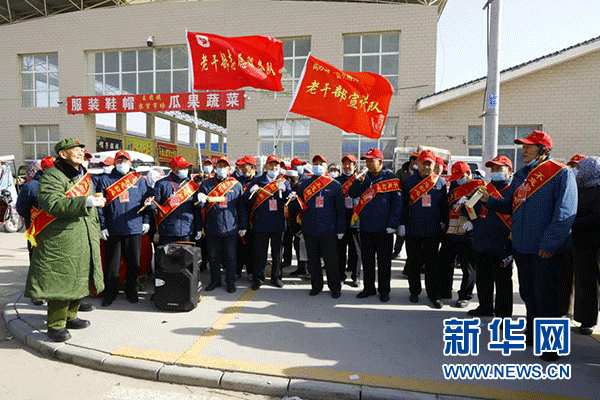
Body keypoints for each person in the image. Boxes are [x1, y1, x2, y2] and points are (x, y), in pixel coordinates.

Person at [480, 130, 577, 362]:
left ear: (543, 150)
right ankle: (533, 333)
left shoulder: (561, 174)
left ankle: (552, 345)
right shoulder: (522, 175)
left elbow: (565, 212)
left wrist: (551, 242)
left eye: (528, 146)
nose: (523, 150)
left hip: (544, 248)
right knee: (528, 294)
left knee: (547, 298)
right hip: (522, 246)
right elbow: (512, 206)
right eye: (523, 146)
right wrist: (489, 201)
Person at [24, 138, 105, 342]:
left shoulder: (82, 174)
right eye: (74, 150)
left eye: (81, 149)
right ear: (63, 154)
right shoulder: (53, 175)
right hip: (62, 238)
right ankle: (56, 325)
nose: (80, 152)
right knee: (61, 280)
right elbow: (52, 203)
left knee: (79, 276)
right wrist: (84, 201)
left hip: (83, 234)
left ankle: (71, 316)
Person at [96, 150, 152, 307]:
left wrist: (146, 220)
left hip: (134, 227)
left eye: (125, 161)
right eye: (119, 161)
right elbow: (100, 206)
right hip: (113, 229)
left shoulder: (139, 180)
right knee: (112, 265)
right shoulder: (105, 180)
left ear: (130, 163)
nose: (122, 164)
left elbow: (146, 202)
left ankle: (131, 291)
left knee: (134, 263)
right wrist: (103, 226)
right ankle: (110, 294)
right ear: (115, 163)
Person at [349, 148, 402, 303]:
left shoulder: (391, 178)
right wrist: (358, 180)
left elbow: (397, 204)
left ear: (380, 161)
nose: (369, 164)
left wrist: (393, 223)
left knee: (384, 261)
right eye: (367, 161)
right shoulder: (364, 178)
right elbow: (352, 194)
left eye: (371, 160)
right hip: (365, 226)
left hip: (384, 228)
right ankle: (368, 288)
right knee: (367, 260)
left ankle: (384, 290)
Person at [469, 155, 515, 318]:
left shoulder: (514, 190)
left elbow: (511, 210)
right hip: (482, 242)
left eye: (498, 168)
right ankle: (485, 307)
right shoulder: (485, 188)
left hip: (502, 244)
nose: (494, 171)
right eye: (492, 168)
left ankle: (503, 315)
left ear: (509, 170)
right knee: (483, 279)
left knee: (503, 283)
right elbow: (472, 211)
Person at [400, 149, 447, 308]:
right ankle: (414, 291)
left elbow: (443, 207)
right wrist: (401, 224)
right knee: (413, 262)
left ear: (434, 165)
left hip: (432, 231)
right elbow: (403, 205)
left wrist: (444, 223)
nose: (426, 167)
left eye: (429, 164)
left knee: (432, 264)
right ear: (417, 163)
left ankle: (434, 294)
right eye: (423, 163)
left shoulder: (439, 182)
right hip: (413, 229)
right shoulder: (407, 182)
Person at [294, 154, 345, 298]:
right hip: (310, 228)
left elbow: (340, 210)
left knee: (331, 261)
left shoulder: (334, 185)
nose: (317, 165)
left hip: (328, 230)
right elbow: (298, 204)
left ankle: (335, 287)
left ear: (326, 167)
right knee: (313, 260)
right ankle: (316, 285)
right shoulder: (305, 184)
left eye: (321, 163)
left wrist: (340, 229)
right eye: (315, 163)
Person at [197, 157, 248, 293]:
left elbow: (241, 208)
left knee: (230, 257)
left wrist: (243, 225)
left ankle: (230, 281)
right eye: (219, 165)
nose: (221, 168)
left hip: (230, 227)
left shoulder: (235, 185)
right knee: (213, 257)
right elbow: (200, 206)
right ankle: (215, 280)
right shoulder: (206, 184)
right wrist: (201, 199)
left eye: (224, 166)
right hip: (212, 226)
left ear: (229, 169)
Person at [245, 155, 291, 290]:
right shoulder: (257, 181)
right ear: (265, 167)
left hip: (278, 222)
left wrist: (286, 191)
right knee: (260, 252)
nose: (274, 168)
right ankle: (258, 278)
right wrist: (250, 192)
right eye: (271, 165)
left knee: (277, 252)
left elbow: (290, 200)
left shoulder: (284, 182)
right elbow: (246, 201)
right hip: (262, 222)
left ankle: (276, 277)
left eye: (276, 165)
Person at [443, 161, 485, 308]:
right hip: (452, 228)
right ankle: (445, 290)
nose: (458, 180)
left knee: (468, 266)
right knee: (446, 260)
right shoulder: (455, 184)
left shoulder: (480, 186)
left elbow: (483, 209)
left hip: (468, 230)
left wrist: (474, 223)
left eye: (460, 177)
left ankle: (465, 296)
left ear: (468, 173)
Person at [570, 156, 600, 335]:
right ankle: (582, 318)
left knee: (591, 283)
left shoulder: (598, 190)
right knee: (583, 282)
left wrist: (572, 222)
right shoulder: (579, 188)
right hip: (579, 243)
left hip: (594, 245)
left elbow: (596, 218)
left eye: (581, 169)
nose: (578, 172)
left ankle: (589, 321)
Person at [152, 156, 200, 245]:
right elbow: (155, 204)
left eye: (186, 168)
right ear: (174, 169)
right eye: (183, 168)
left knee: (186, 258)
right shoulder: (161, 184)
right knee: (167, 258)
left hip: (187, 229)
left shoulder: (192, 185)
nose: (186, 170)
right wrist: (149, 204)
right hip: (167, 230)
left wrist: (199, 229)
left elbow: (196, 210)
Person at [336, 154, 361, 287]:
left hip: (355, 219)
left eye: (350, 164)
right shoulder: (337, 181)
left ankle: (356, 276)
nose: (347, 166)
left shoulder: (360, 180)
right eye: (345, 163)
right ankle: (341, 275)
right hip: (341, 219)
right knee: (340, 250)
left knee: (356, 250)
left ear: (355, 166)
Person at [233, 156, 257, 279]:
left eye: (244, 167)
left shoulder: (259, 180)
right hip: (239, 218)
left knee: (252, 247)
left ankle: (251, 272)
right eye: (240, 167)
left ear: (252, 167)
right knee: (239, 247)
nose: (242, 169)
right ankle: (237, 270)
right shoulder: (237, 181)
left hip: (254, 219)